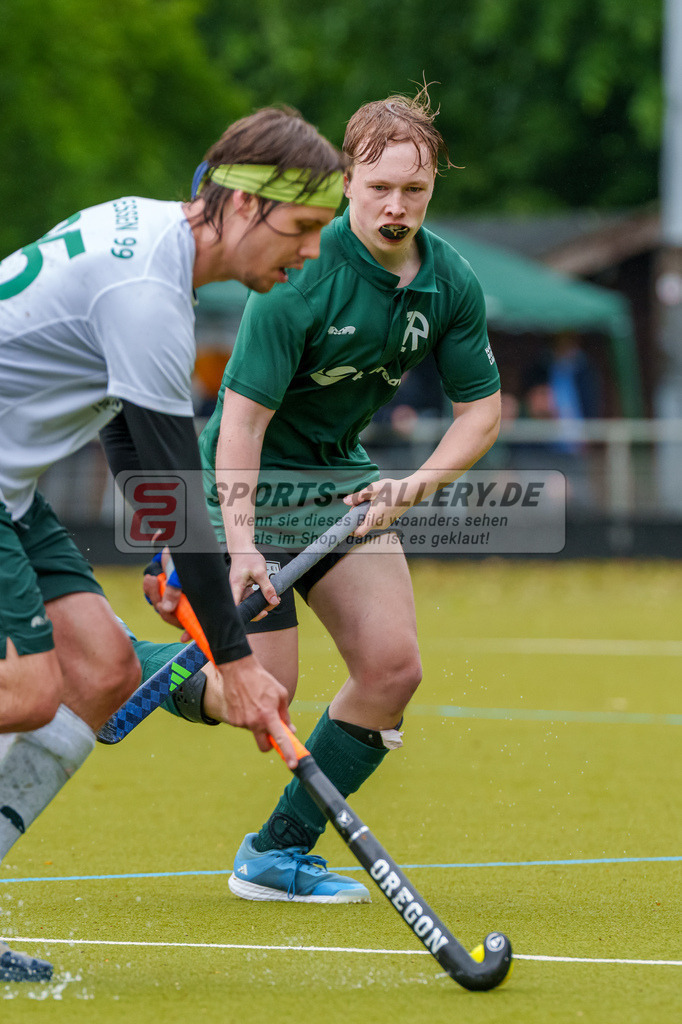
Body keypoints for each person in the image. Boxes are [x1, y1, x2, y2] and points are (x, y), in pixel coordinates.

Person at [0, 106, 345, 981]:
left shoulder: (151, 244)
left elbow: (127, 436)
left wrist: (168, 564)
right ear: (240, 204)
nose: (308, 253)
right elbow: (181, 491)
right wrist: (233, 660)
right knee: (27, 688)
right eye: (301, 229)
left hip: (11, 489)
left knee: (104, 668)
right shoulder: (148, 292)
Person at [141, 88, 501, 904]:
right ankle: (111, 663)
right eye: (379, 188)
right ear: (346, 180)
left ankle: (276, 854)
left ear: (434, 185)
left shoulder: (449, 283)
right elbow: (238, 427)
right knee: (258, 690)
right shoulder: (299, 281)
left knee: (392, 668)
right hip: (248, 481)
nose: (396, 206)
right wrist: (235, 549)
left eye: (414, 189)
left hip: (340, 481)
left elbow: (482, 411)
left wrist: (411, 486)